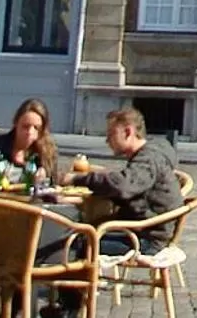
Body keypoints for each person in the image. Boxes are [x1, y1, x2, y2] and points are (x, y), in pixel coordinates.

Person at [74, 108, 183, 258]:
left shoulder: (149, 159)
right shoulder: (150, 154)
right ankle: (87, 278)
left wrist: (77, 179)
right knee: (84, 227)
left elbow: (123, 186)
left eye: (111, 134)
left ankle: (76, 279)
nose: (107, 140)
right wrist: (103, 180)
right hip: (143, 229)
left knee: (75, 242)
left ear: (127, 132)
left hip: (146, 238)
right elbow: (129, 187)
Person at [0, 97, 59, 192]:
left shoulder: (47, 152)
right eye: (25, 126)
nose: (29, 132)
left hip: (29, 205)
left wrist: (45, 178)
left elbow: (54, 188)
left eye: (36, 128)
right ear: (16, 123)